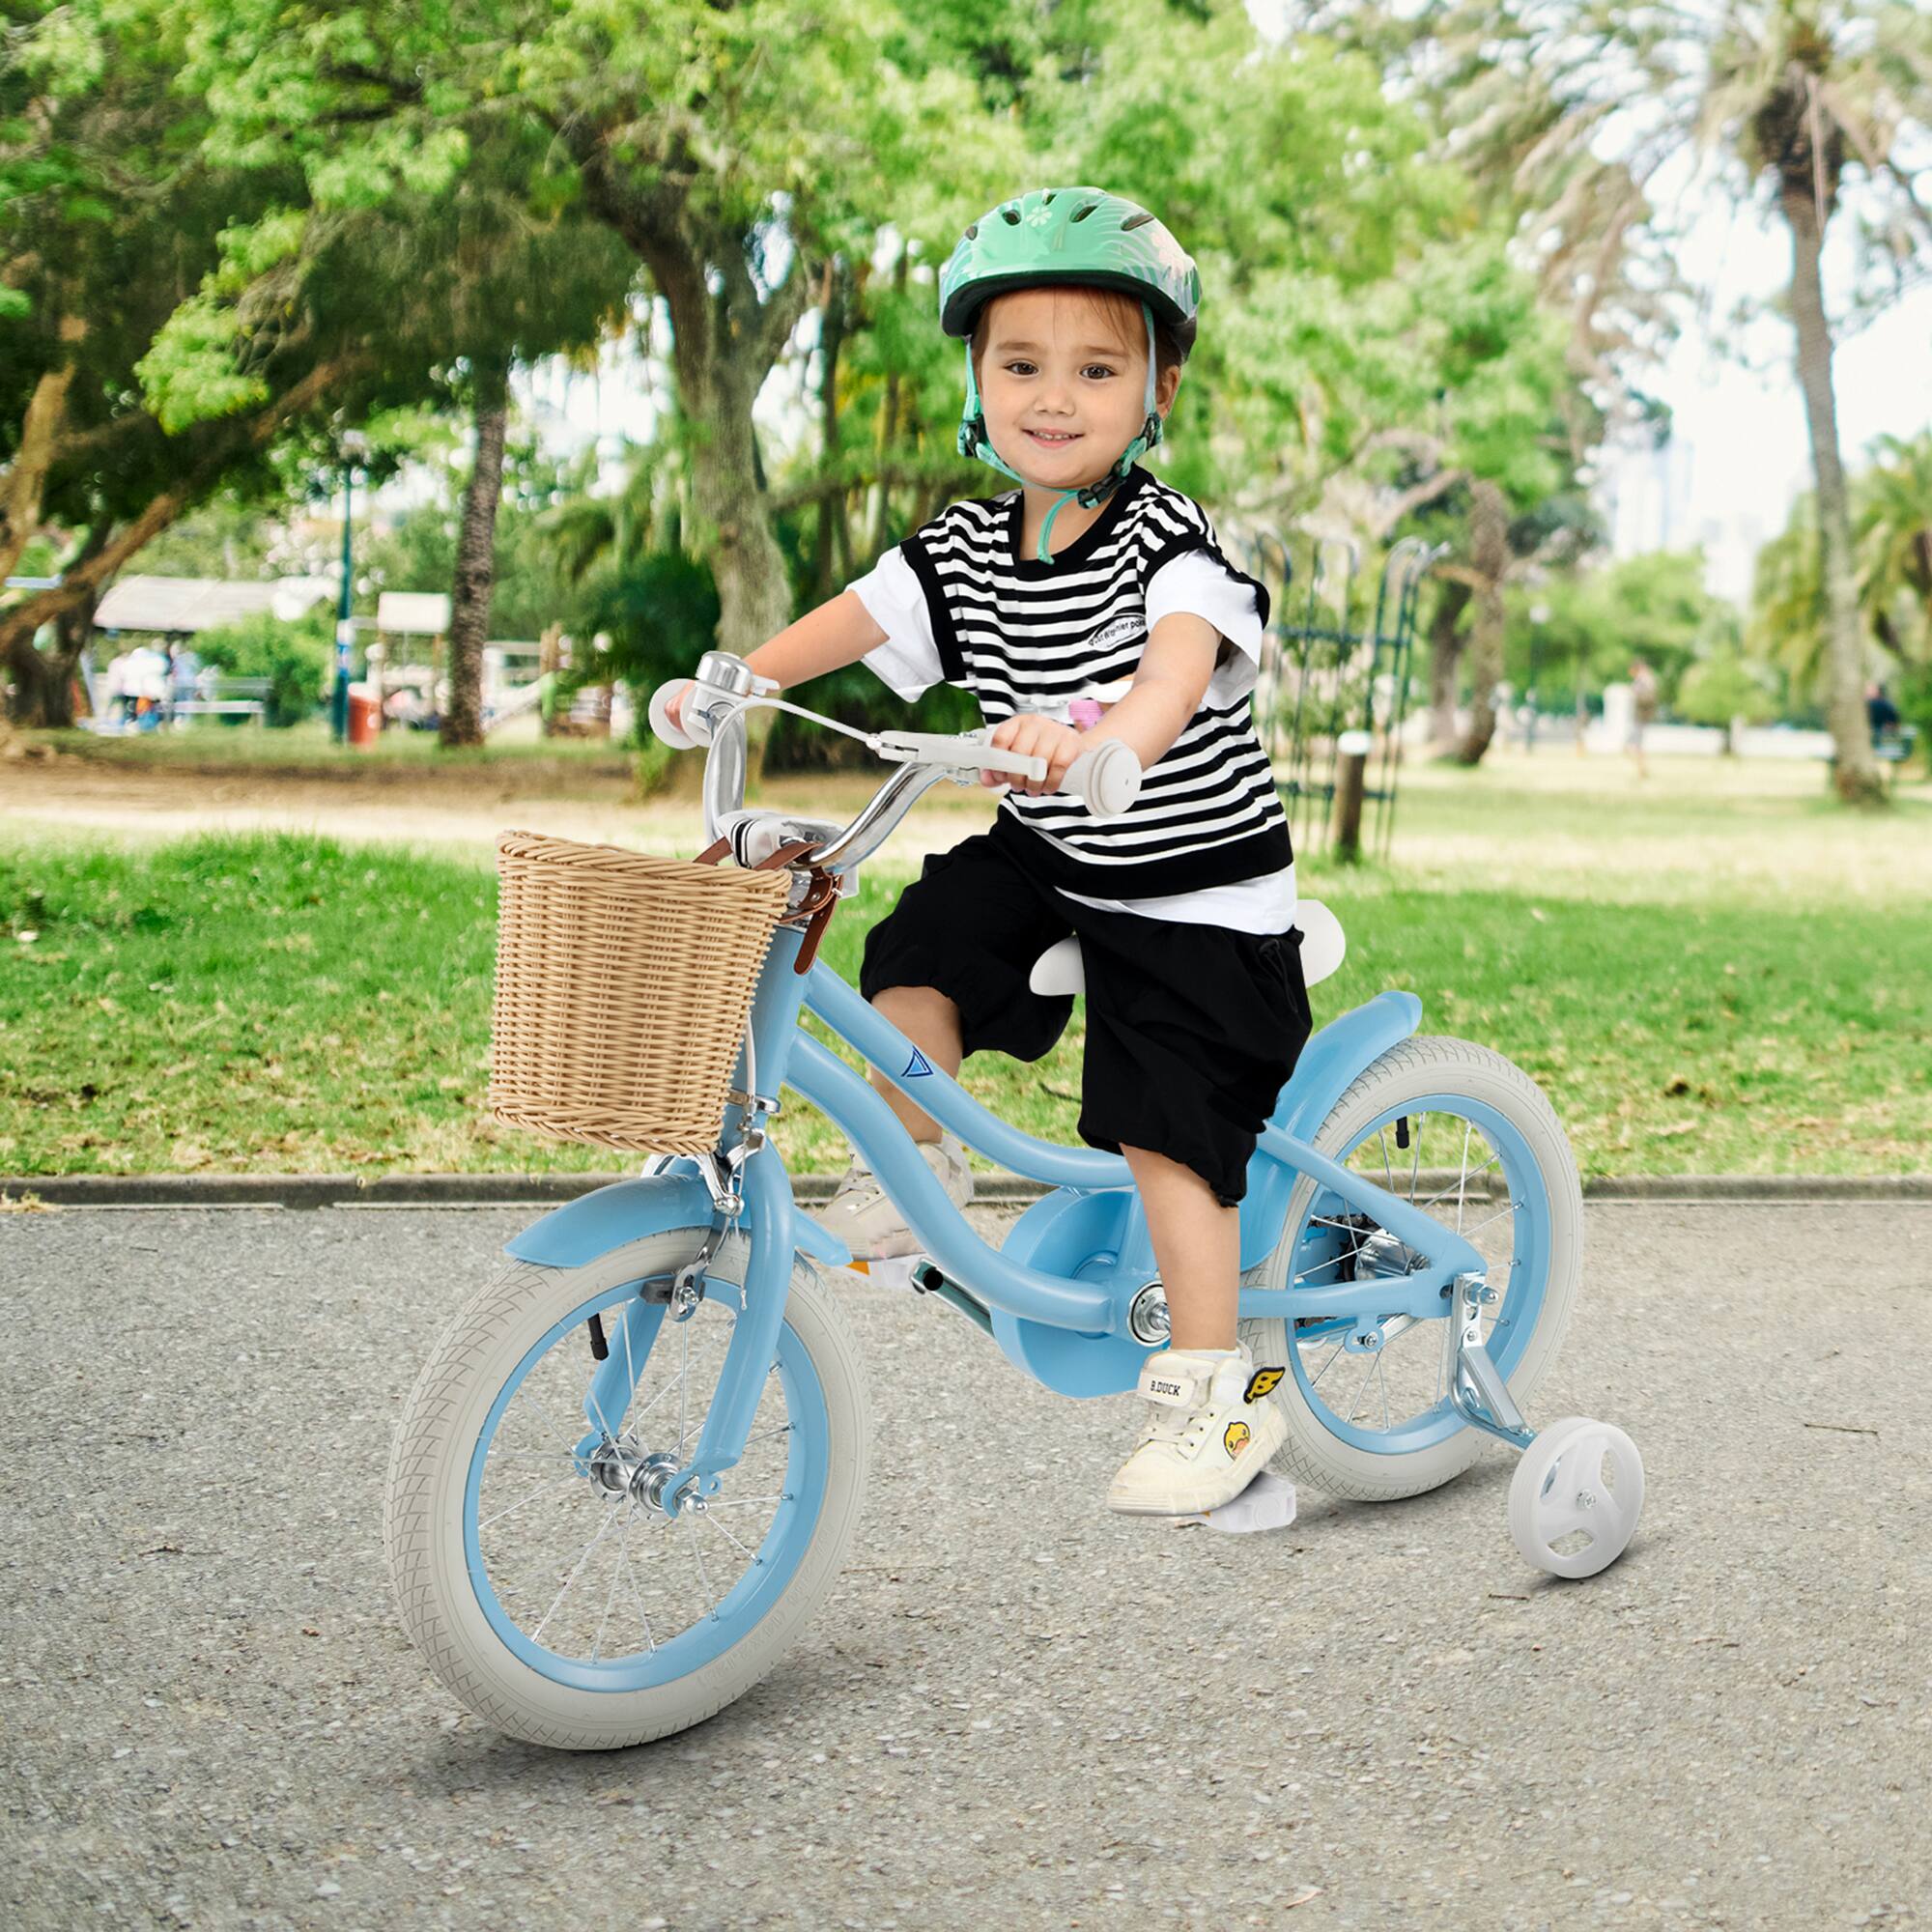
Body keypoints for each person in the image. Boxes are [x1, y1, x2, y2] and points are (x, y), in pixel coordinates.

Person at [668, 188, 1310, 1518]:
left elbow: (1174, 668)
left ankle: (1219, 1393)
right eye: (1020, 365)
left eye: (1097, 370)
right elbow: (854, 619)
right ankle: (916, 1171)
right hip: (1053, 854)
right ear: (977, 381)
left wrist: (1107, 739)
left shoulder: (1169, 543)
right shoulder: (965, 545)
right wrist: (737, 681)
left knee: (1167, 1117)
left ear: (1157, 389)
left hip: (1194, 887)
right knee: (920, 945)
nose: (1053, 397)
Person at [1627, 658, 1659, 779]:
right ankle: (1642, 769)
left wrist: (1634, 693)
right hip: (1640, 716)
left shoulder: (1645, 681)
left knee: (1634, 745)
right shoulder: (1645, 680)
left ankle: (1642, 769)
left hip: (1641, 716)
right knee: (1634, 745)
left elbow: (1648, 698)